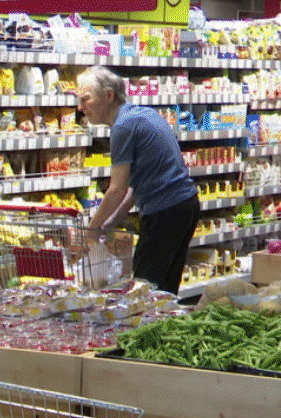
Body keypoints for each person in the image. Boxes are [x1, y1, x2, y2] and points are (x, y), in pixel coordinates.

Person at [77, 66, 199, 293]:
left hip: (165, 211)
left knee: (144, 289)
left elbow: (117, 190)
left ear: (109, 95)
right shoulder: (141, 114)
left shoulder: (123, 127)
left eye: (86, 99)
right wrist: (110, 222)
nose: (80, 107)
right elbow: (135, 187)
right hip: (185, 206)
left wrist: (91, 229)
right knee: (164, 290)